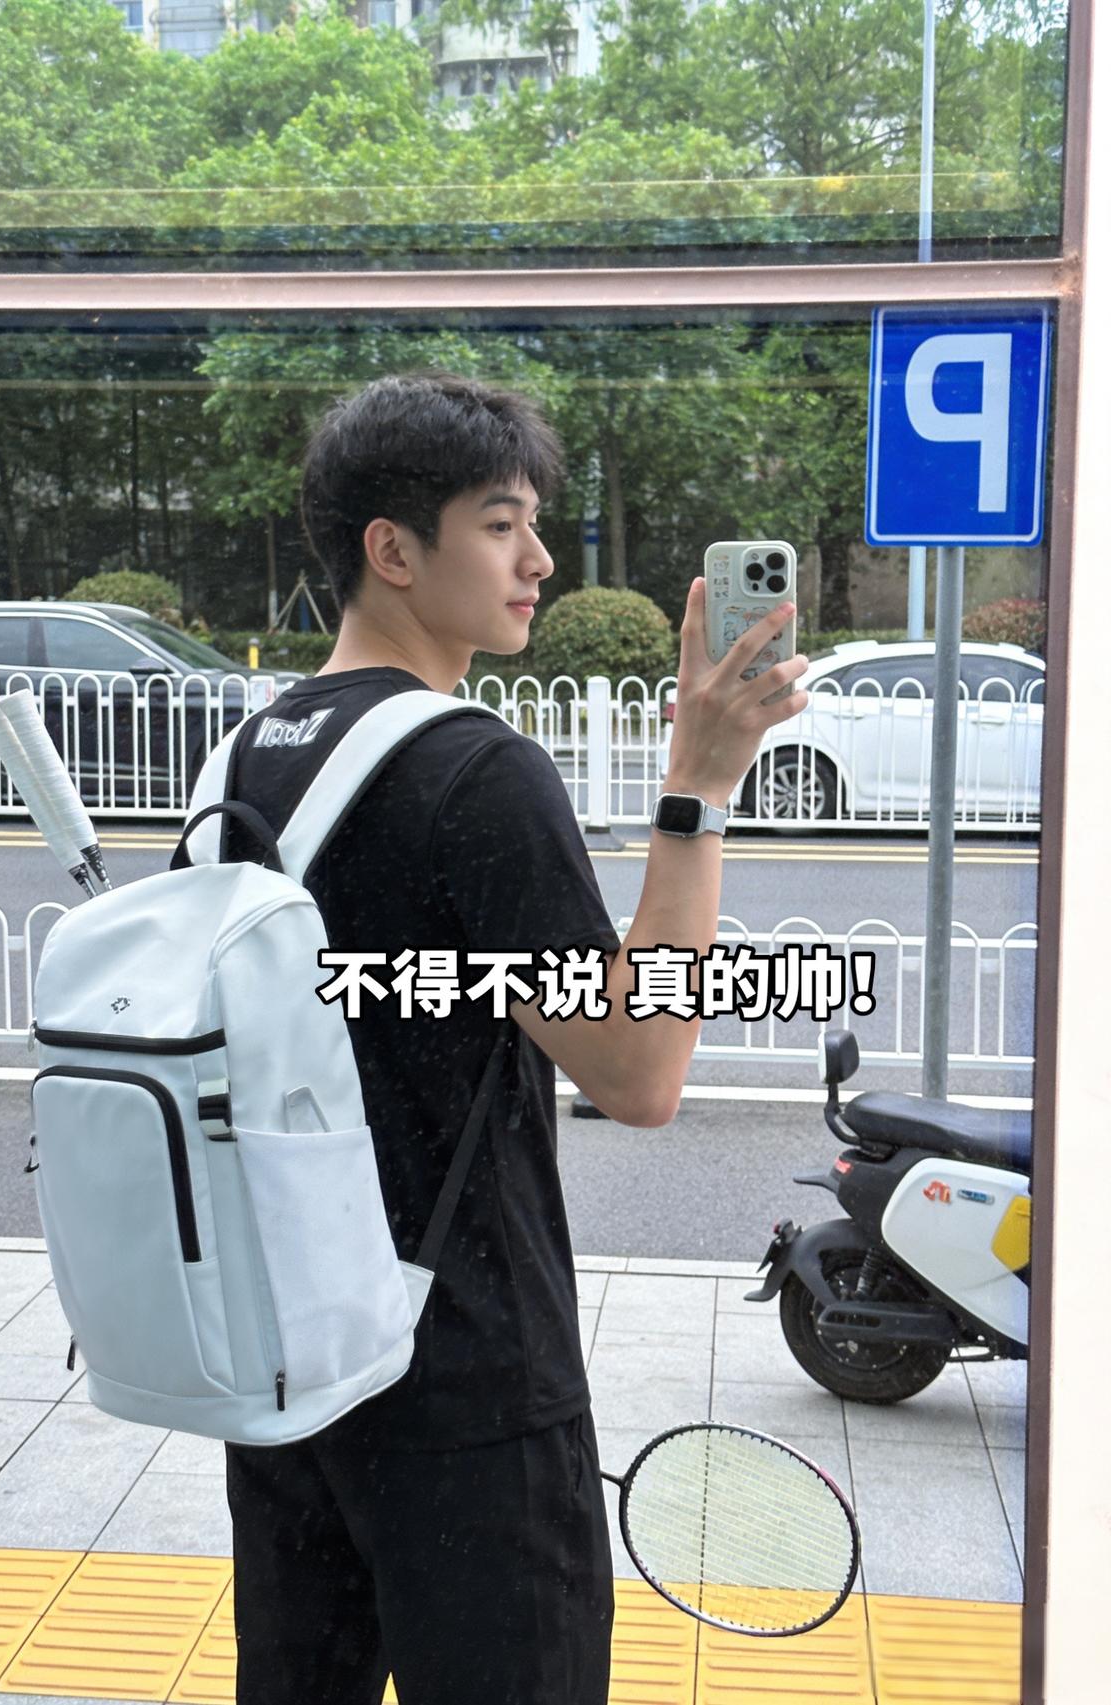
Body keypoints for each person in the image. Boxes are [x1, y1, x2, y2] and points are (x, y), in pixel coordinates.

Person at [207, 371, 809, 1705]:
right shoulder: (473, 769)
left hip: (286, 1356)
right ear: (393, 549)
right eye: (500, 525)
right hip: (465, 1380)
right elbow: (638, 1070)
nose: (540, 561)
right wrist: (699, 788)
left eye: (534, 523)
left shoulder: (248, 755)